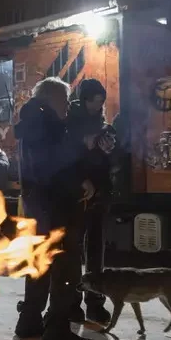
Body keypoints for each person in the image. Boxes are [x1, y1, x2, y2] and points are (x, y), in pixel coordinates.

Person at [14, 77, 99, 340]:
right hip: (56, 208)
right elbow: (53, 166)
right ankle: (57, 331)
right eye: (64, 100)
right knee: (65, 266)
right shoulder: (46, 122)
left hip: (38, 207)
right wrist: (80, 180)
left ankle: (29, 321)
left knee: (39, 264)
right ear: (52, 99)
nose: (67, 105)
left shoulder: (32, 121)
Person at [65, 79, 115, 324]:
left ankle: (95, 303)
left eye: (102, 103)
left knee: (96, 253)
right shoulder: (70, 120)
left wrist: (107, 149)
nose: (99, 106)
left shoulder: (102, 124)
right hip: (79, 194)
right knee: (73, 252)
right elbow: (68, 156)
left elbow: (107, 160)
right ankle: (73, 304)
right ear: (84, 100)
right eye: (95, 102)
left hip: (101, 193)